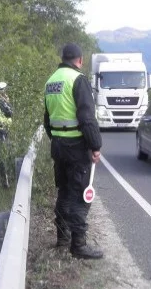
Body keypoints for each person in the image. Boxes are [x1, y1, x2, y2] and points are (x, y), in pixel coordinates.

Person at [43, 43, 103, 259]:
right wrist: (95, 146)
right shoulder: (78, 80)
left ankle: (62, 238)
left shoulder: (51, 81)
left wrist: (58, 139)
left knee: (65, 192)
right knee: (79, 195)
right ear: (80, 60)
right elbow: (87, 118)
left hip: (58, 146)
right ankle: (79, 245)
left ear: (63, 58)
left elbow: (47, 120)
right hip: (77, 148)